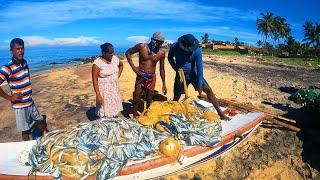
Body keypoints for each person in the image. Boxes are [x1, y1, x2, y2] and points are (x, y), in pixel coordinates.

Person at [168, 34, 229, 120]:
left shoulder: (197, 50)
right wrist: (176, 69)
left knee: (209, 91)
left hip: (194, 75)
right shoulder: (174, 46)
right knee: (176, 96)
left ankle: (220, 113)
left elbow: (199, 67)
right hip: (181, 75)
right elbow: (170, 58)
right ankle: (172, 113)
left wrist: (200, 83)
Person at [0, 38, 48, 141]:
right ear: (11, 51)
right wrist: (9, 97)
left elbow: (27, 77)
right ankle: (27, 149)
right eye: (17, 49)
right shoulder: (7, 68)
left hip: (30, 101)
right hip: (20, 106)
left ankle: (46, 136)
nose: (21, 51)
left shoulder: (24, 62)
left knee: (40, 120)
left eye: (22, 48)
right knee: (25, 130)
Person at [126, 32, 167, 118]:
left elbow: (162, 69)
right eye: (158, 42)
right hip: (141, 76)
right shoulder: (142, 47)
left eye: (161, 43)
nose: (159, 45)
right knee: (136, 98)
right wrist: (134, 68)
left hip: (151, 78)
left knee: (149, 99)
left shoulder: (161, 53)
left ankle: (147, 116)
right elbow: (128, 53)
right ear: (153, 40)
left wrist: (164, 84)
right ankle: (134, 116)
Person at [92, 42, 124, 118]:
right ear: (103, 53)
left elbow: (121, 65)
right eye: (110, 53)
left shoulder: (115, 59)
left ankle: (114, 116)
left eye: (113, 52)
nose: (112, 54)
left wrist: (118, 75)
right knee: (104, 109)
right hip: (104, 91)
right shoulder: (97, 64)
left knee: (114, 105)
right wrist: (98, 95)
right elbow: (94, 80)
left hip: (114, 89)